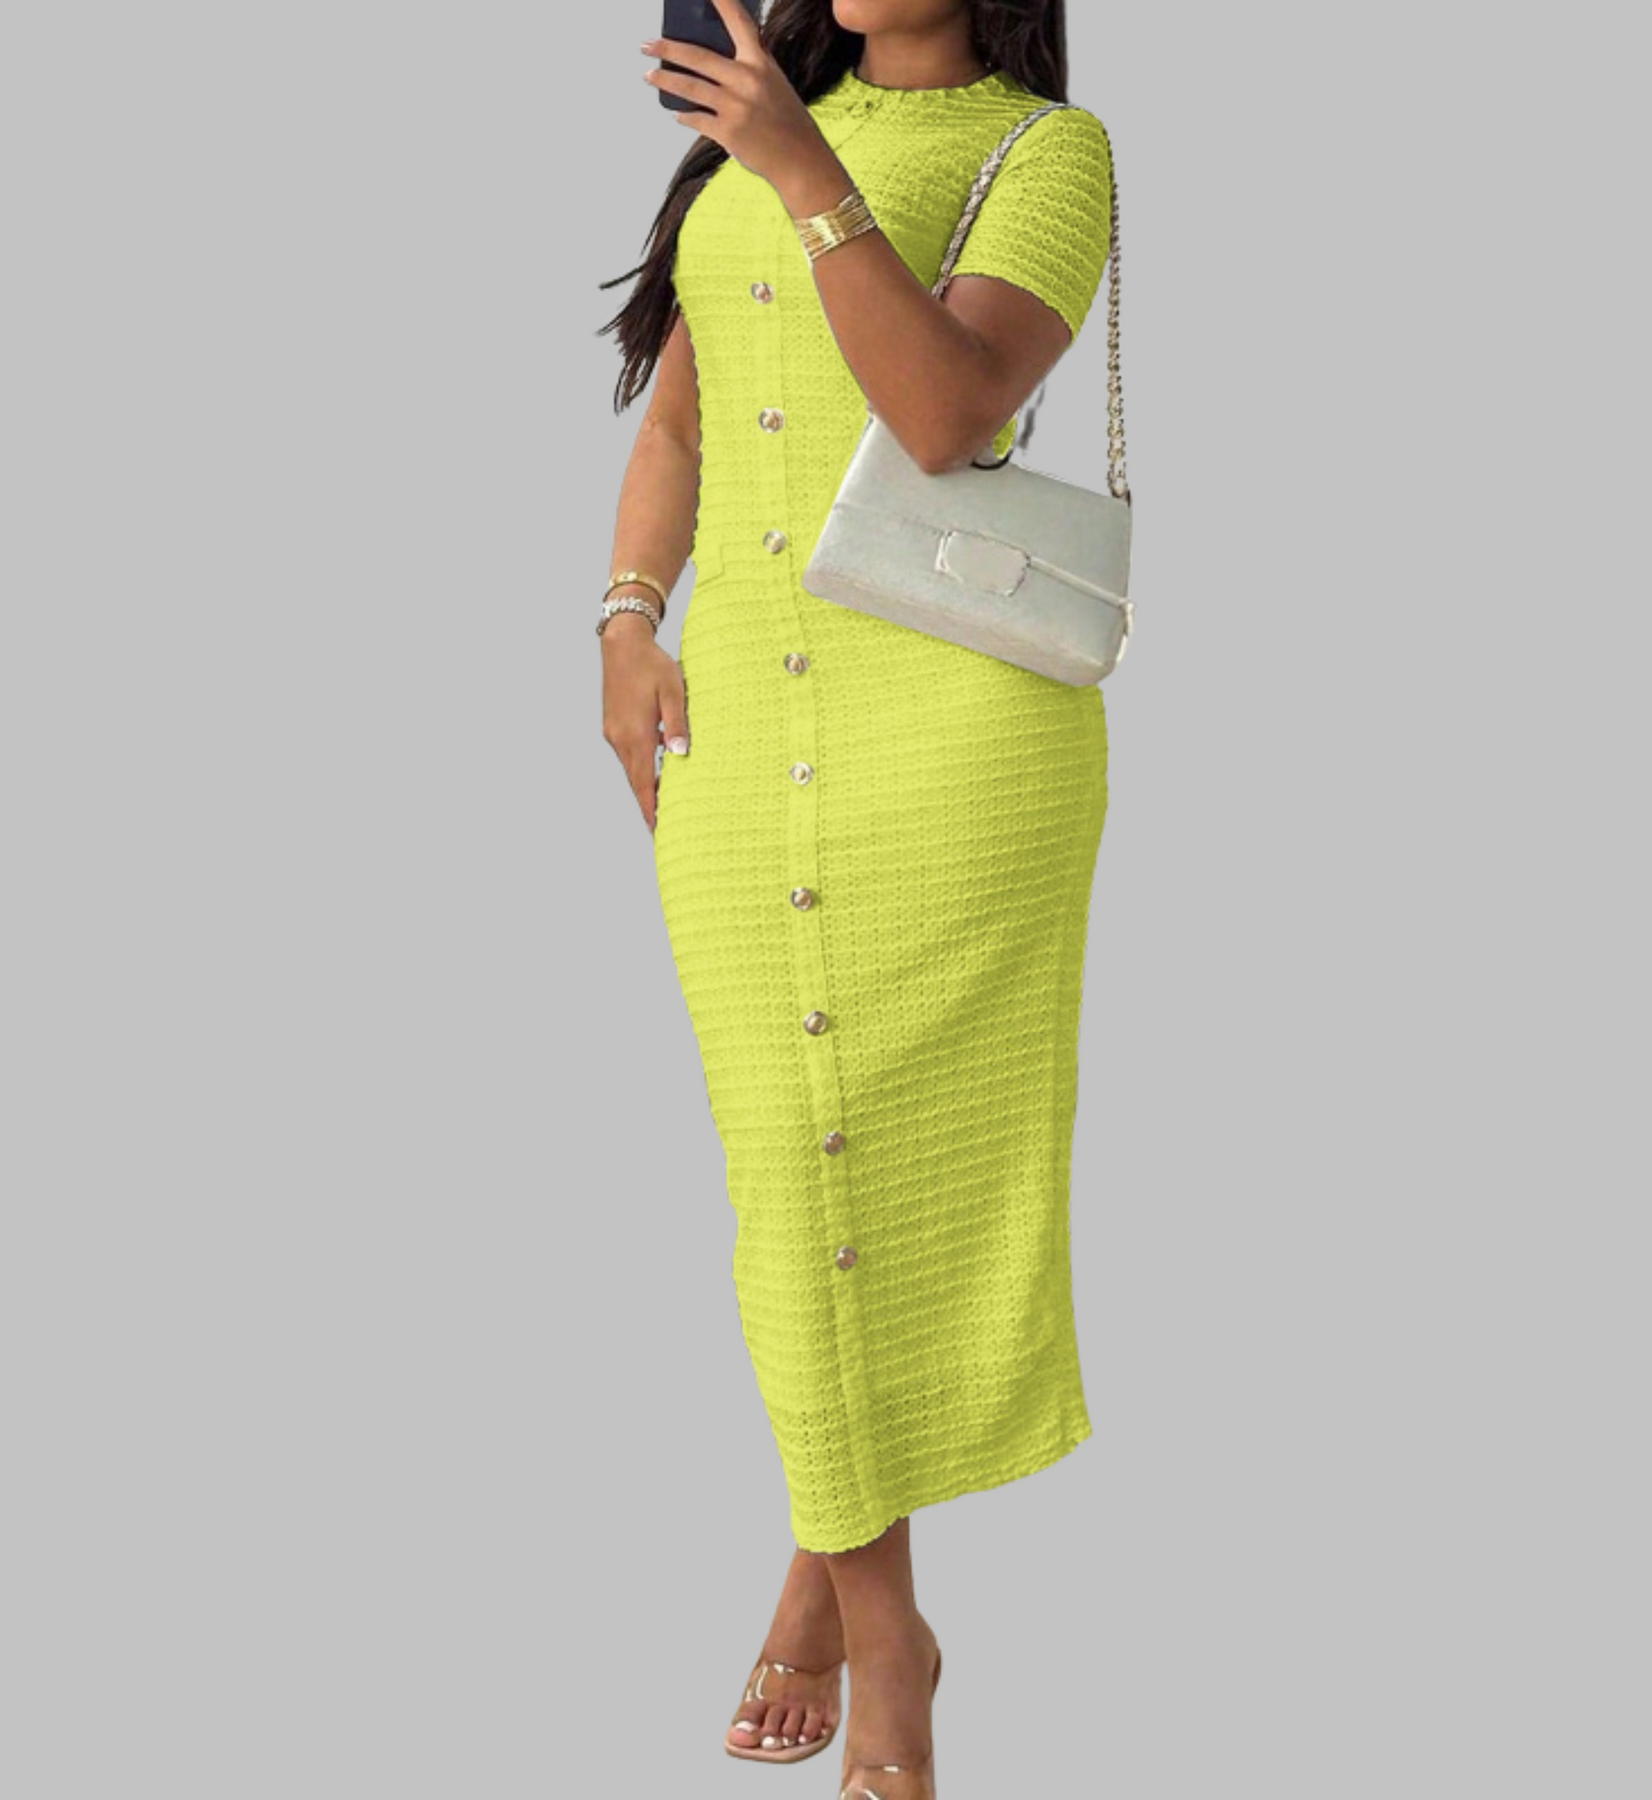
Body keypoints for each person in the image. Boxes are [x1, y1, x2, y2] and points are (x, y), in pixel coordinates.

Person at [597, 3, 1118, 1794]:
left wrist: (800, 166)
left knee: (906, 1173)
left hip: (958, 737)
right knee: (787, 1162)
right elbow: (681, 418)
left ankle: (875, 1640)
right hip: (741, 727)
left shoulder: (1047, 152)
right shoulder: (751, 142)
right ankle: (851, 1588)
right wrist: (623, 623)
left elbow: (948, 408)